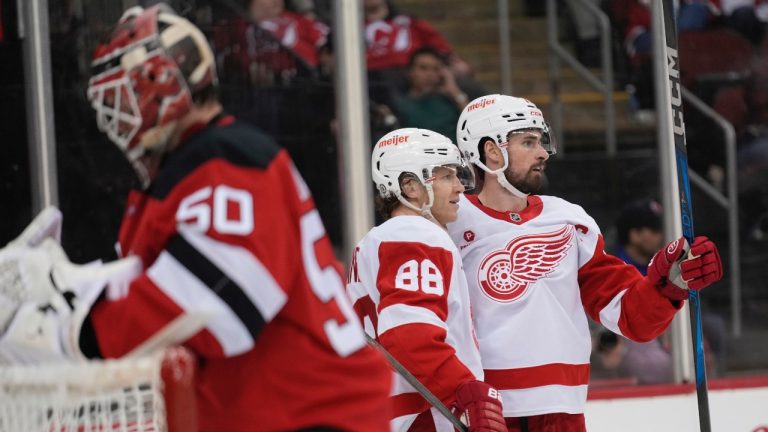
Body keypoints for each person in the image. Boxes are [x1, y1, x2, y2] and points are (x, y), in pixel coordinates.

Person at [0, 4, 391, 431]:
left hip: (317, 414)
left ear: (162, 87)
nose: (112, 115)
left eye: (121, 96)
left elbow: (212, 303)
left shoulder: (228, 162)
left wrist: (69, 332)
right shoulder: (183, 173)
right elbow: (157, 279)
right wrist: (72, 286)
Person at [447, 94, 724, 430]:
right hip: (484, 412)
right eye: (528, 142)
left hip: (562, 410)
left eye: (542, 141)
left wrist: (669, 285)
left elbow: (627, 316)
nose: (543, 152)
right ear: (491, 151)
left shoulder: (568, 219)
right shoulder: (450, 224)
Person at [346, 128, 505, 431]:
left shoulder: (375, 242)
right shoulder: (414, 235)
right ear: (409, 187)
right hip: (425, 415)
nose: (459, 187)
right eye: (445, 177)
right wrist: (467, 392)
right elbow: (409, 337)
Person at [395, 47, 468, 142]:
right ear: (410, 72)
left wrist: (454, 90)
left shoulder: (450, 100)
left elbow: (473, 123)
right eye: (423, 68)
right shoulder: (400, 106)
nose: (430, 74)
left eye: (435, 69)